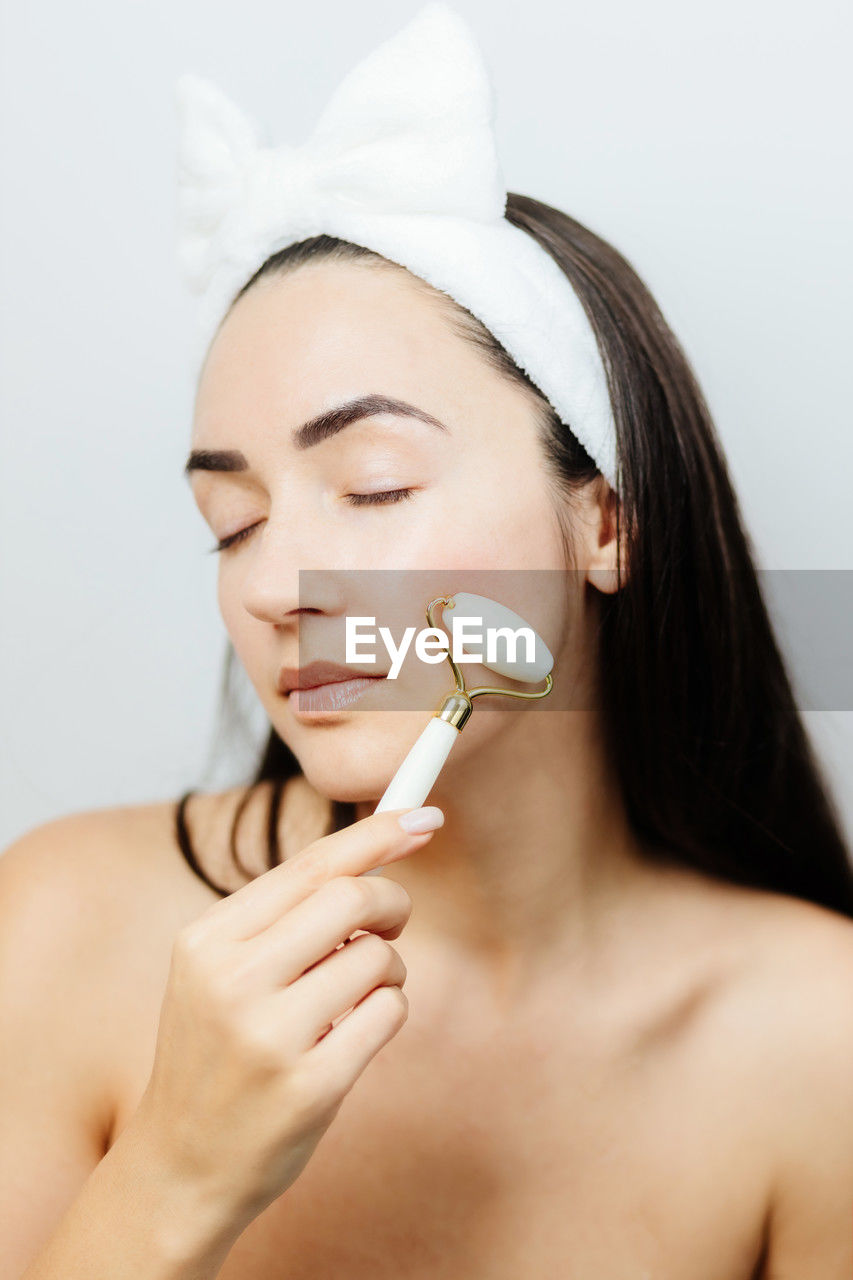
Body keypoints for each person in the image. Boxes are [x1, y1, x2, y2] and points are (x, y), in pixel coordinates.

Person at [3, 202, 853, 1279]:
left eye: (375, 486)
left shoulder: (822, 1039)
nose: (272, 587)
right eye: (233, 520)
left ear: (605, 524)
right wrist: (173, 1176)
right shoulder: (62, 924)